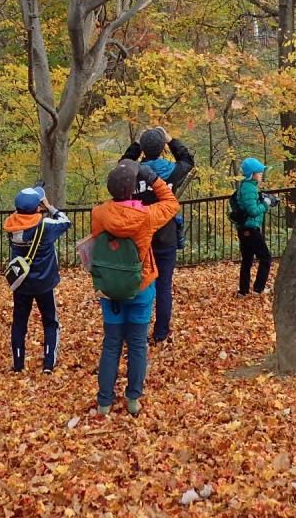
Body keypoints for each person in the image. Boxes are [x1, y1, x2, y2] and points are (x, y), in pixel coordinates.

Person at [91, 159, 179, 416]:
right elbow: (171, 204)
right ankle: (133, 399)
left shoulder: (99, 214)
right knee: (138, 343)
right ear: (132, 190)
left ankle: (104, 402)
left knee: (111, 344)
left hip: (109, 288)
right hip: (140, 285)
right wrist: (153, 179)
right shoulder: (146, 216)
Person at [121, 126, 194, 344]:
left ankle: (135, 331)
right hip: (165, 235)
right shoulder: (171, 171)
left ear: (143, 148)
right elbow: (188, 160)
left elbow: (122, 165)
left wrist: (136, 145)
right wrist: (171, 140)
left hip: (137, 235)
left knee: (136, 283)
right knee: (163, 286)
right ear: (162, 148)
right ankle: (161, 333)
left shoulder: (131, 172)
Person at [2, 184, 71, 373]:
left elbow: (22, 215)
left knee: (19, 323)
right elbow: (66, 221)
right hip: (44, 282)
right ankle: (48, 364)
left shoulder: (11, 225)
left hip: (21, 282)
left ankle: (18, 365)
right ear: (37, 207)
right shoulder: (46, 226)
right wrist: (48, 205)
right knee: (50, 322)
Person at [234, 157, 277, 297]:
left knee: (247, 259)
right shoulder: (249, 188)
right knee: (265, 257)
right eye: (259, 172)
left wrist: (266, 201)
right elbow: (252, 211)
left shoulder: (247, 187)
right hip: (250, 229)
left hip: (244, 228)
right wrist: (265, 204)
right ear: (251, 174)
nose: (261, 175)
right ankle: (259, 288)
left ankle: (243, 291)